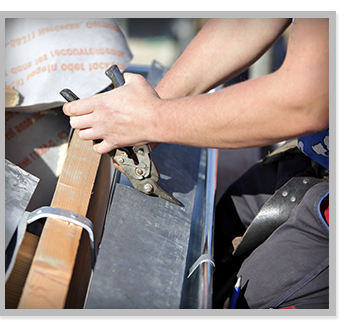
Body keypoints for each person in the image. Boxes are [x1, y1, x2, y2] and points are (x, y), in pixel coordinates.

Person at [63, 18, 329, 309]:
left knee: (250, 300)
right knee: (225, 237)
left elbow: (307, 101)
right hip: (312, 157)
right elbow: (251, 17)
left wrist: (152, 119)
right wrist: (150, 108)